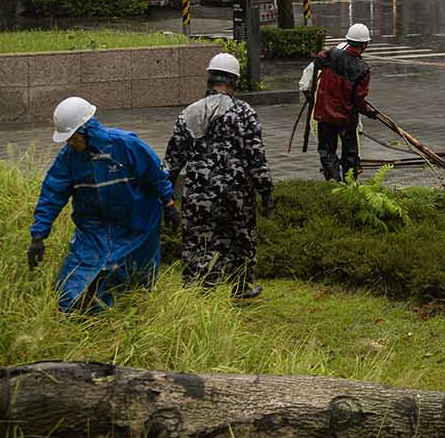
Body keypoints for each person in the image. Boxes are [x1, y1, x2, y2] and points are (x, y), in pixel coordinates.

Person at [27, 96, 176, 313]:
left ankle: (129, 318)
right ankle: (82, 315)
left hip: (137, 224)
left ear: (86, 130)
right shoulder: (69, 159)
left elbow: (155, 175)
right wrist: (38, 236)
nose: (69, 143)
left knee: (135, 283)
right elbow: (52, 194)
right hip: (93, 230)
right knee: (69, 290)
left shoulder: (126, 146)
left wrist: (170, 205)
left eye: (72, 137)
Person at [165, 51, 273, 288]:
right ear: (234, 81)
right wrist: (266, 192)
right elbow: (256, 157)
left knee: (198, 243)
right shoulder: (245, 113)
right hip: (238, 194)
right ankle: (241, 287)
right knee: (241, 240)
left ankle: (198, 290)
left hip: (198, 193)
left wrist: (166, 197)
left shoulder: (189, 113)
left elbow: (172, 162)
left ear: (209, 79)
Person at [312, 22, 378, 182]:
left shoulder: (332, 54)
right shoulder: (362, 69)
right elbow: (358, 100)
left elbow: (318, 60)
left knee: (326, 151)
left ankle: (334, 182)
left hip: (324, 114)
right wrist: (369, 111)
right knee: (350, 154)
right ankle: (349, 185)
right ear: (364, 45)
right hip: (346, 118)